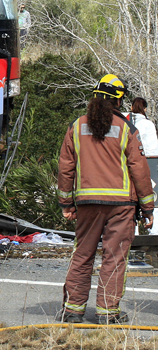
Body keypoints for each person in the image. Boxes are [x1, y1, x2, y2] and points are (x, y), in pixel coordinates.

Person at [57, 75, 154, 324]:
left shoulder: (76, 126)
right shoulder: (126, 129)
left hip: (88, 203)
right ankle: (108, 313)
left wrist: (66, 204)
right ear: (119, 101)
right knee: (115, 257)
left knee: (83, 255)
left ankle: (72, 311)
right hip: (121, 205)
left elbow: (66, 168)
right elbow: (140, 170)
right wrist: (148, 208)